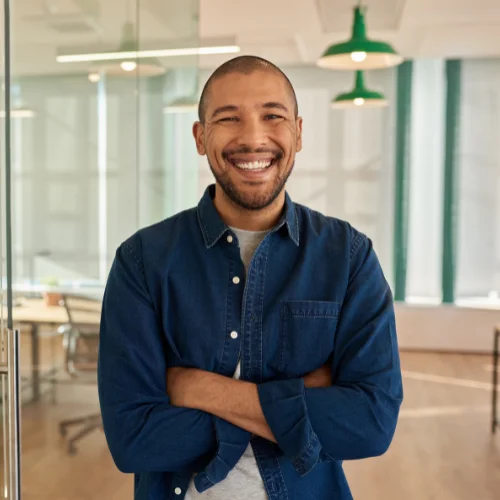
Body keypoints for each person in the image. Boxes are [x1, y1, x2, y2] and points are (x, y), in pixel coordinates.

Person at [98, 55, 403, 500]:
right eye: (228, 118)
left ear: (298, 133)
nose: (253, 138)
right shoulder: (143, 261)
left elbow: (370, 425)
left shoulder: (349, 257)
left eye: (272, 116)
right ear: (201, 138)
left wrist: (200, 389)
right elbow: (134, 439)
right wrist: (298, 400)